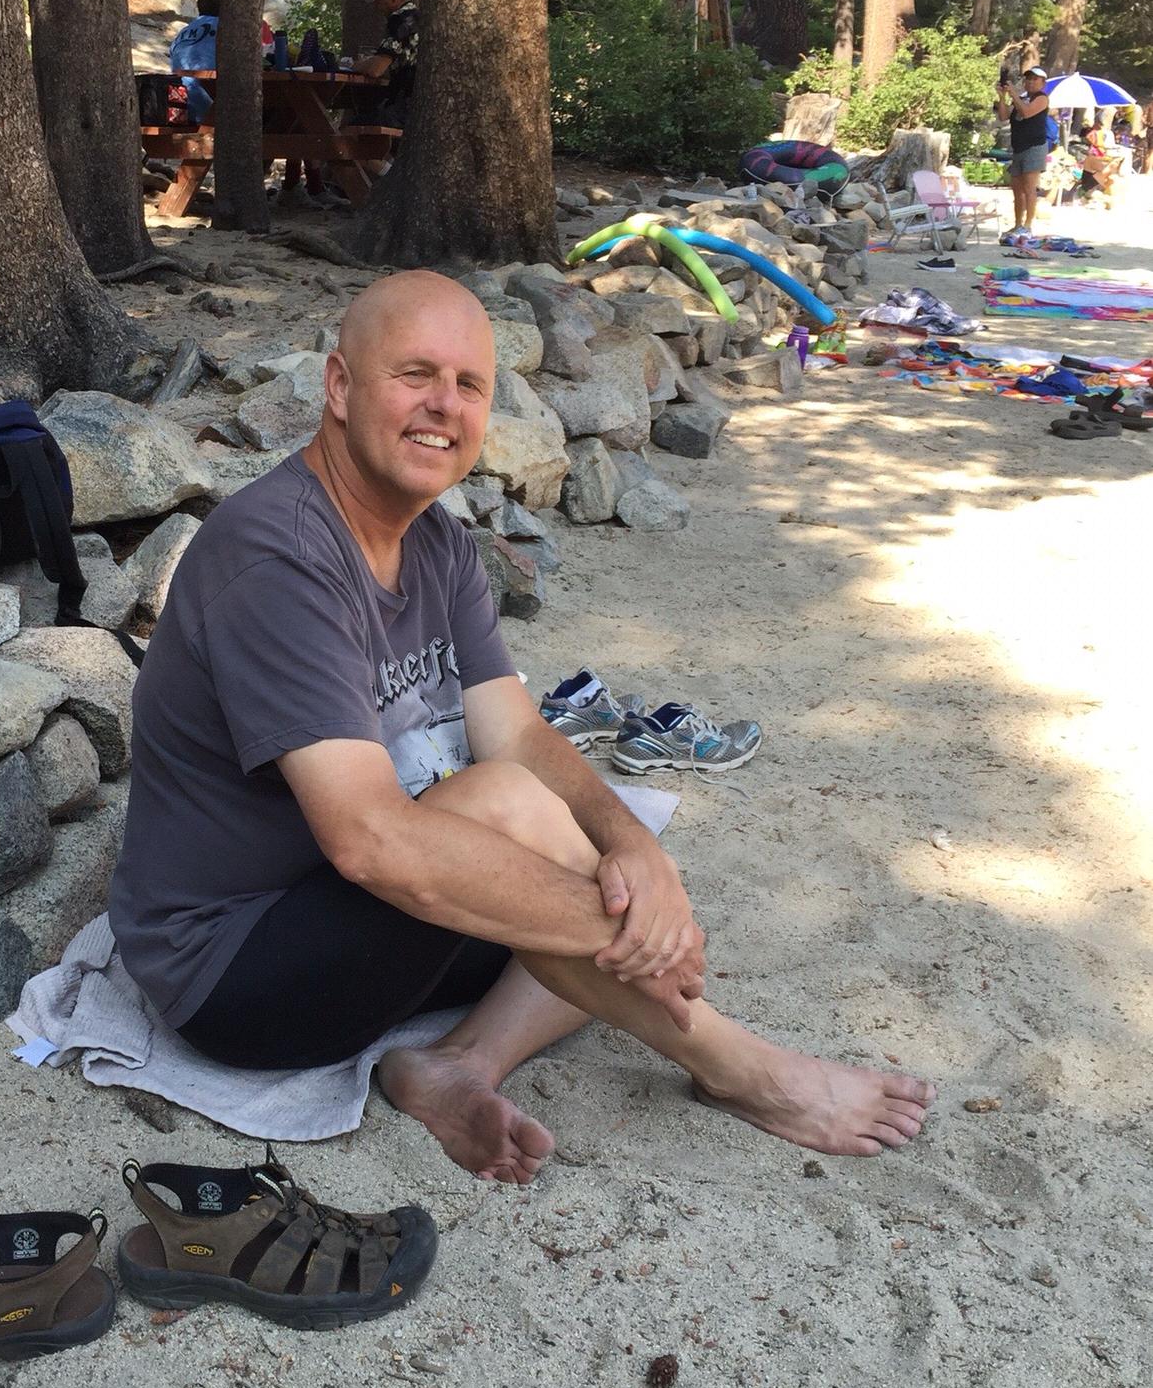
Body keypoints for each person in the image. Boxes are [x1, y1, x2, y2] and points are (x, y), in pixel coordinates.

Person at [108, 272, 935, 1184]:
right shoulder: (279, 560)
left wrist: (633, 853)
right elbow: (371, 842)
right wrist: (633, 935)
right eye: (414, 375)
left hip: (380, 917)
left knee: (605, 845)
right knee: (528, 828)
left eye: (469, 385)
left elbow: (520, 736)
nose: (445, 405)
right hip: (241, 971)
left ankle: (458, 1063)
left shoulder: (436, 541)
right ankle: (740, 1068)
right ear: (339, 387)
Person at [354, 0, 419, 130]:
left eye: (379, 1)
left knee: (354, 127)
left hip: (403, 104)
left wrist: (356, 65)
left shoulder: (399, 21)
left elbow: (376, 69)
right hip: (416, 100)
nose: (376, 6)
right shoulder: (419, 16)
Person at [996, 63, 1050, 236]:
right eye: (1028, 79)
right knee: (1017, 188)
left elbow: (1026, 113)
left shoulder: (1041, 99)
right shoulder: (1021, 98)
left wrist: (1013, 94)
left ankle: (1028, 225)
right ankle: (1018, 223)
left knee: (1029, 187)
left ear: (1042, 83)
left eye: (1035, 79)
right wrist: (1002, 97)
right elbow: (1003, 116)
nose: (1031, 82)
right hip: (1018, 147)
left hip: (1034, 147)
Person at [168, 0, 221, 126]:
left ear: (198, 5)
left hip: (181, 104)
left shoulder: (183, 32)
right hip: (209, 104)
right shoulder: (226, 28)